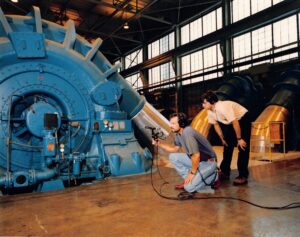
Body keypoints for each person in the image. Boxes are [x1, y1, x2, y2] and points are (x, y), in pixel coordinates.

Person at [153, 112, 218, 193]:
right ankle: (188, 180)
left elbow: (196, 155)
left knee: (189, 188)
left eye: (173, 123)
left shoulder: (188, 132)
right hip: (198, 161)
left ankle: (214, 177)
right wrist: (160, 144)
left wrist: (192, 173)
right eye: (170, 123)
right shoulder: (178, 133)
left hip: (208, 162)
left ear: (181, 123)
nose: (170, 125)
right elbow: (174, 148)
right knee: (173, 157)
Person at [201, 90, 251, 185]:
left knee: (242, 146)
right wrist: (222, 138)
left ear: (211, 101)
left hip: (242, 118)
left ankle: (243, 175)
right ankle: (225, 171)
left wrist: (239, 139)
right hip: (231, 122)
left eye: (204, 103)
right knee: (227, 144)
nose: (202, 105)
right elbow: (215, 125)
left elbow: (235, 122)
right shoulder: (210, 111)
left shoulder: (222, 107)